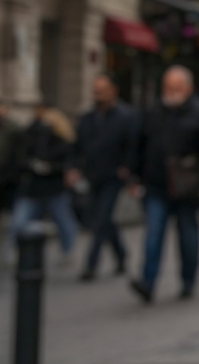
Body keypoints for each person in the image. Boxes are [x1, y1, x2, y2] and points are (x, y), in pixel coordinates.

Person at [130, 66, 199, 302]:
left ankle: (188, 281)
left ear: (188, 89)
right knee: (153, 234)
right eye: (168, 87)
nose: (171, 92)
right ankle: (147, 283)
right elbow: (140, 146)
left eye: (176, 87)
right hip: (156, 184)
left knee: (188, 234)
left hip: (188, 186)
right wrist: (134, 177)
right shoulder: (153, 112)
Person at [72, 73, 140, 280]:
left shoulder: (126, 116)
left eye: (102, 90)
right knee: (102, 218)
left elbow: (134, 146)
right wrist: (73, 168)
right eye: (95, 90)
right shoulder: (87, 117)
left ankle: (90, 265)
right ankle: (120, 254)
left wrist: (129, 170)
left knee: (101, 219)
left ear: (113, 90)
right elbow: (78, 147)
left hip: (113, 175)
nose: (98, 94)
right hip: (92, 175)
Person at [8, 106, 81, 265]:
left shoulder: (62, 142)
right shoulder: (30, 136)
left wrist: (51, 168)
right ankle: (14, 253)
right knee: (19, 222)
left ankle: (68, 251)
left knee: (63, 221)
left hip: (54, 188)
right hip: (33, 189)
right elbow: (21, 158)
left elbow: (67, 162)